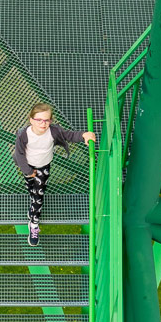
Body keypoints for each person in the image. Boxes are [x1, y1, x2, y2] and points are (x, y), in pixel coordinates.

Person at [12, 103, 95, 246]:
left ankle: (34, 224)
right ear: (31, 120)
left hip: (43, 167)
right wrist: (28, 171)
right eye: (39, 120)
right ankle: (33, 206)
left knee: (39, 194)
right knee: (31, 190)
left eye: (46, 120)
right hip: (29, 167)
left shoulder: (53, 131)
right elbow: (18, 154)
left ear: (50, 121)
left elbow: (69, 135)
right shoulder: (24, 134)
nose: (43, 124)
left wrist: (83, 135)